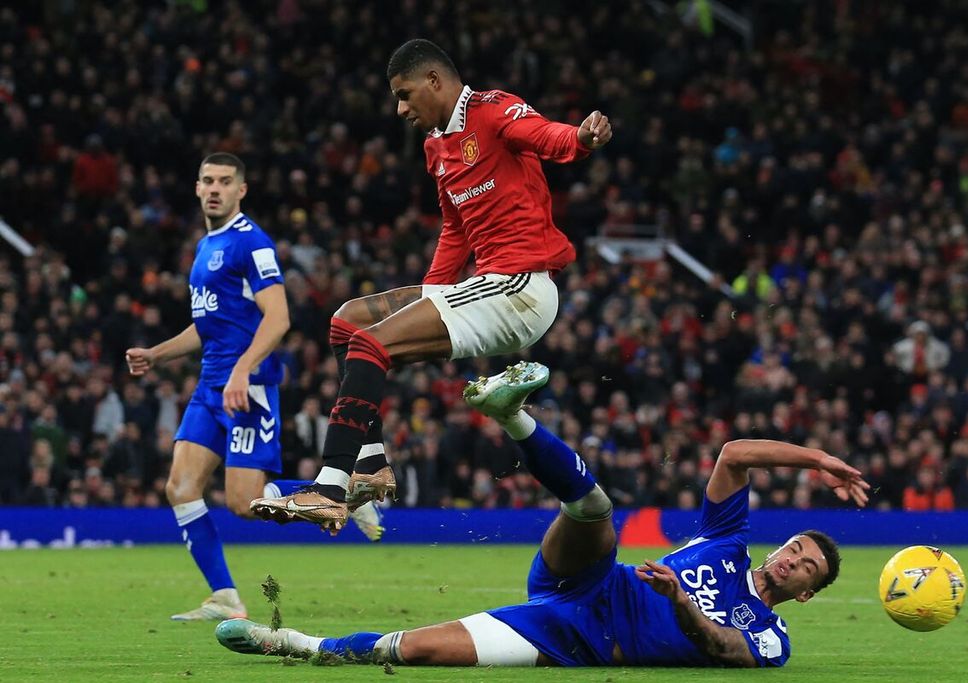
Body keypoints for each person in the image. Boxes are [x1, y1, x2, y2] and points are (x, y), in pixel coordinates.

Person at [219, 361, 870, 667]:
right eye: (796, 546)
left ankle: (295, 643)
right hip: (592, 580)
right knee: (594, 510)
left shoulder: (772, 636)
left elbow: (724, 648)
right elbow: (735, 452)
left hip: (576, 636)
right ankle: (512, 413)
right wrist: (817, 458)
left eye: (805, 564)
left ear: (806, 592)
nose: (792, 557)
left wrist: (678, 601)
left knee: (412, 648)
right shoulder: (729, 539)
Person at [250, 39, 613, 534]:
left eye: (404, 94)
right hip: (489, 284)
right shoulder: (436, 147)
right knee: (348, 322)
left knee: (370, 342)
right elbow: (455, 230)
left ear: (435, 81)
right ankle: (372, 464)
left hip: (521, 287)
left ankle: (330, 489)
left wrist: (582, 138)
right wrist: (430, 297)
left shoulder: (493, 109)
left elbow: (543, 134)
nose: (400, 108)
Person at [125, 153, 381, 621]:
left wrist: (243, 370)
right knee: (180, 487)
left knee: (244, 502)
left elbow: (279, 317)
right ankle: (225, 596)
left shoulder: (252, 243)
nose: (215, 188)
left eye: (225, 181)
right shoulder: (206, 247)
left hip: (249, 387)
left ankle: (341, 491)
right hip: (211, 388)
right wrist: (156, 354)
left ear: (241, 189)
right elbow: (207, 326)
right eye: (207, 180)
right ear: (198, 188)